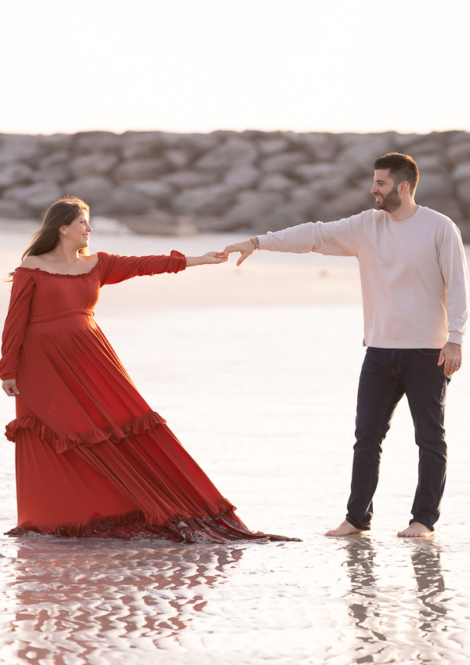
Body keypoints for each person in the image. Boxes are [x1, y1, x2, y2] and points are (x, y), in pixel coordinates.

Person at [0, 196, 297, 543]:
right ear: (62, 227)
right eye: (83, 222)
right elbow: (15, 320)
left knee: (115, 427)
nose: (89, 229)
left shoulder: (98, 264)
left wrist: (198, 260)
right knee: (55, 435)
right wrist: (8, 369)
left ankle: (149, 507)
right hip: (43, 366)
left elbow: (144, 264)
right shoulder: (32, 267)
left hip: (91, 358)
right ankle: (55, 518)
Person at [223, 153, 469, 538]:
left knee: (430, 440)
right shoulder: (366, 227)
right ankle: (357, 519)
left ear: (403, 187)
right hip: (379, 351)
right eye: (374, 182)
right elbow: (315, 235)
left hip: (428, 351)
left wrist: (455, 340)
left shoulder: (439, 228)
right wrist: (259, 242)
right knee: (367, 437)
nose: (373, 190)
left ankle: (423, 521)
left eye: (381, 184)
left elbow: (458, 286)